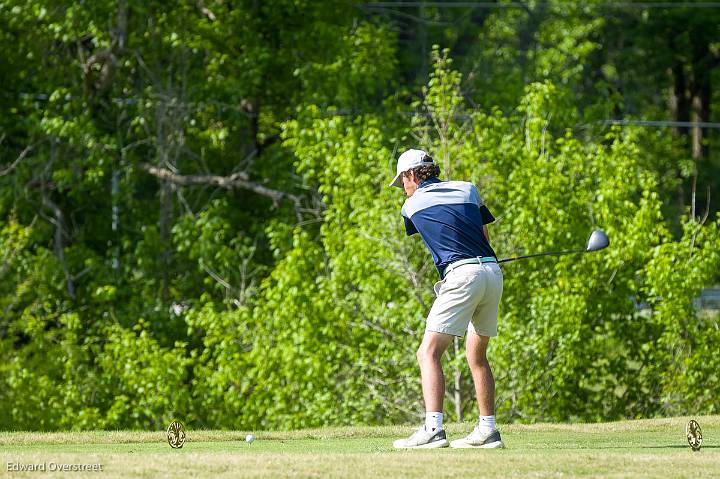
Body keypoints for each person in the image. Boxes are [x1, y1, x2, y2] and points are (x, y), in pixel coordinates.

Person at [389, 149, 504, 449]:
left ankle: (433, 429)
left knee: (427, 353)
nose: (403, 188)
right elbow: (483, 238)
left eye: (402, 181)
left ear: (411, 175)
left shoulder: (411, 205)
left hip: (462, 276)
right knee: (477, 357)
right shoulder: (468, 189)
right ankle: (488, 431)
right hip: (491, 273)